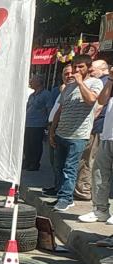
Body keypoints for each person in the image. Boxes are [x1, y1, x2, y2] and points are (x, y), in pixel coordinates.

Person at [48, 55, 103, 212]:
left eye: (81, 67)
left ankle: (65, 199)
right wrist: (52, 130)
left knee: (69, 168)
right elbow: (60, 109)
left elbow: (91, 100)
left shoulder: (95, 83)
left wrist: (80, 83)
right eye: (75, 67)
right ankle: (62, 196)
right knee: (58, 167)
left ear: (88, 68)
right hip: (61, 133)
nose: (77, 70)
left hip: (78, 135)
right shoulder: (68, 86)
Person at [74, 59, 110, 201]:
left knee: (88, 159)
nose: (90, 72)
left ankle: (83, 190)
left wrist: (90, 122)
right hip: (100, 127)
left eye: (92, 69)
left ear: (103, 69)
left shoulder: (103, 81)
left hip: (97, 127)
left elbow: (99, 105)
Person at [80, 77, 113, 226]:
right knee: (99, 173)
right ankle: (100, 210)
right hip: (107, 135)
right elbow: (102, 100)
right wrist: (111, 79)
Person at [24, 75, 51, 171]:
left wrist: (48, 123)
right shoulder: (32, 95)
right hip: (28, 123)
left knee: (35, 145)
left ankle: (34, 163)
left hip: (38, 124)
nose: (30, 82)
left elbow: (49, 108)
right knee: (27, 144)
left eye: (32, 81)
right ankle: (27, 161)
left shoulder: (46, 94)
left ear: (39, 82)